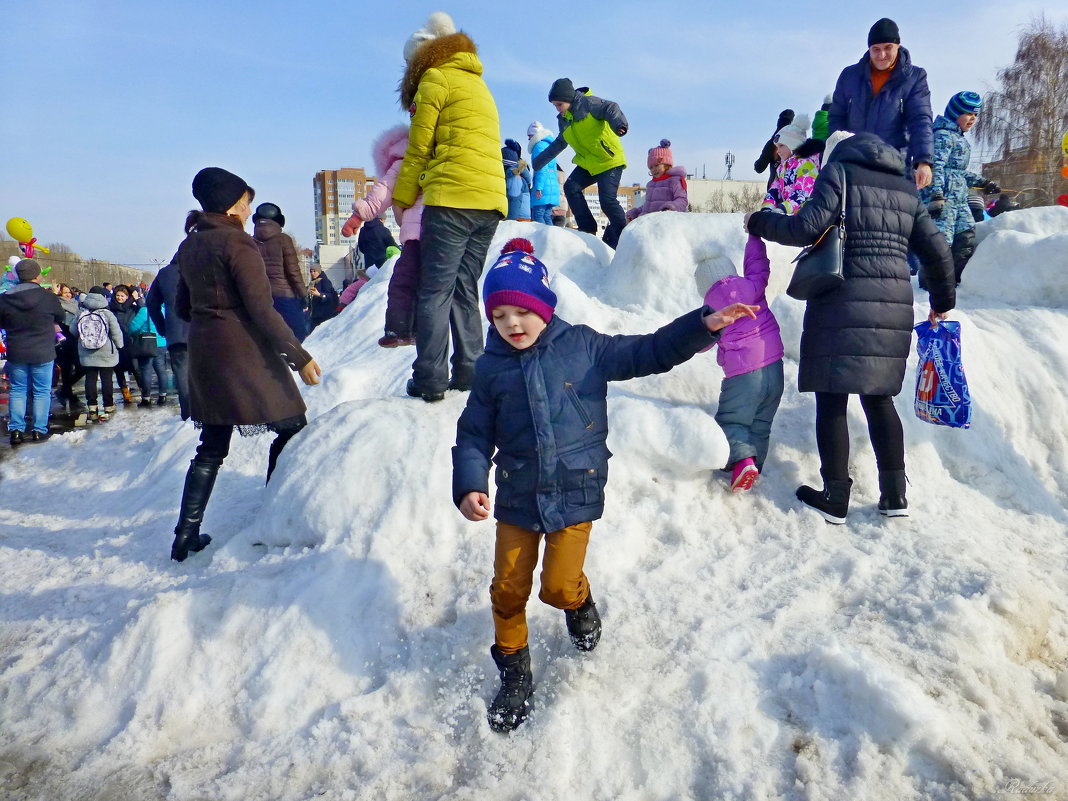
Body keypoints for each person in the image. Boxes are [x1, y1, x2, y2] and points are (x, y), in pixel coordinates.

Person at [452, 238, 758, 732]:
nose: (512, 323)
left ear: (544, 307)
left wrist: (702, 325)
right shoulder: (490, 369)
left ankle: (579, 601)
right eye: (501, 313)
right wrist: (469, 484)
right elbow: (472, 434)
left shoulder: (584, 348)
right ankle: (514, 673)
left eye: (522, 310)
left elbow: (647, 350)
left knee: (556, 587)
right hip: (517, 495)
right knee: (507, 590)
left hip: (575, 490)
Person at [744, 131, 956, 523]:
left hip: (841, 299)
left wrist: (758, 220)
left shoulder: (839, 173)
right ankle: (895, 497)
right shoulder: (905, 187)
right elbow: (938, 250)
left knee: (832, 396)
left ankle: (835, 495)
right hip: (893, 305)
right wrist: (942, 303)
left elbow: (804, 228)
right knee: (879, 399)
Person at [171, 167, 322, 563]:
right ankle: (273, 512)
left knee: (211, 444)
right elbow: (261, 309)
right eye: (245, 200)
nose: (249, 207)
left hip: (205, 351)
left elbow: (182, 307)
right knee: (291, 425)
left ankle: (185, 534)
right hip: (243, 352)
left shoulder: (190, 245)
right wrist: (300, 356)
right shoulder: (238, 244)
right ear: (230, 205)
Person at [393, 11, 507, 402]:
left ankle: (429, 378)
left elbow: (419, 148)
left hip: (452, 199)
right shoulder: (479, 84)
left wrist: (402, 197)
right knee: (464, 288)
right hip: (490, 201)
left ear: (422, 57)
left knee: (435, 290)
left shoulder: (435, 78)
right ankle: (471, 370)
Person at [698, 236, 785, 492]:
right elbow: (758, 264)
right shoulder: (752, 285)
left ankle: (743, 461)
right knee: (761, 422)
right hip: (775, 367)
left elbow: (702, 341)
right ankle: (755, 464)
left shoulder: (712, 308)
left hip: (743, 374)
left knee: (731, 421)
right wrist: (754, 235)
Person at [341, 124, 425, 348]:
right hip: (438, 229)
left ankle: (401, 328)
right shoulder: (426, 156)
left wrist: (359, 216)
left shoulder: (405, 160)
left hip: (419, 233)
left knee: (404, 282)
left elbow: (383, 191)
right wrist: (358, 216)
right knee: (416, 282)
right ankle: (407, 328)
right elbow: (384, 191)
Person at [828, 18, 934, 191]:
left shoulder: (914, 77)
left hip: (894, 166)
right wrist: (839, 151)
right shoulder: (850, 76)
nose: (882, 55)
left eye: (887, 48)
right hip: (853, 165)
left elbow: (920, 120)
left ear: (897, 46)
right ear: (869, 49)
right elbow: (836, 118)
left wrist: (923, 161)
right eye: (876, 49)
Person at [532, 78, 629, 248]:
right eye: (555, 105)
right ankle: (587, 229)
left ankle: (625, 238)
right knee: (571, 187)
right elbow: (560, 143)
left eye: (559, 104)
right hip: (588, 163)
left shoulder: (589, 103)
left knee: (607, 200)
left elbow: (610, 107)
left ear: (569, 99)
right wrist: (539, 161)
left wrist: (619, 124)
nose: (557, 109)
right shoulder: (564, 120)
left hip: (609, 160)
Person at [920, 91, 1000, 285]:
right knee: (941, 242)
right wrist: (936, 194)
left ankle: (955, 280)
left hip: (959, 200)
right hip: (943, 200)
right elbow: (935, 166)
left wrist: (983, 182)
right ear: (955, 113)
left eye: (975, 115)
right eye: (968, 114)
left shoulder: (960, 139)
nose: (972, 119)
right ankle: (931, 282)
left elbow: (957, 172)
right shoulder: (943, 136)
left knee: (966, 236)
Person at [0, 259, 65, 445]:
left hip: (17, 351)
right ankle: (39, 429)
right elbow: (60, 317)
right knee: (42, 391)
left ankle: (16, 431)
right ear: (37, 275)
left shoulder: (5, 298)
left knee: (18, 390)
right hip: (43, 351)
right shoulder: (48, 297)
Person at [253, 202, 308, 341]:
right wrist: (303, 294)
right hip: (285, 296)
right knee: (297, 336)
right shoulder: (283, 240)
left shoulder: (250, 242)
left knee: (267, 338)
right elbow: (293, 271)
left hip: (261, 296)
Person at [147, 257, 192, 419]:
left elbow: (151, 304)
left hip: (176, 334)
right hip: (206, 331)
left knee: (182, 375)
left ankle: (188, 416)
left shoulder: (165, 273)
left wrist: (163, 327)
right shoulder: (204, 266)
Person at [75, 286, 125, 423]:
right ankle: (108, 406)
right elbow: (116, 332)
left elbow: (74, 331)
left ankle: (92, 407)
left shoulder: (81, 313)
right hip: (106, 352)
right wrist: (120, 346)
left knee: (90, 380)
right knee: (106, 379)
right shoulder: (107, 314)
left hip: (86, 353)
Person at [759, 114, 825, 215]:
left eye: (781, 146)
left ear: (792, 145)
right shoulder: (782, 167)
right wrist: (768, 206)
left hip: (805, 216)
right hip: (789, 214)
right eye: (777, 147)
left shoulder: (806, 165)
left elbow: (803, 193)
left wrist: (783, 209)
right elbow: (775, 189)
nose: (778, 151)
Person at [626, 139, 688, 221]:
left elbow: (682, 200)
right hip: (647, 223)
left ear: (666, 164)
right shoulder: (651, 184)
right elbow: (647, 206)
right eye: (651, 167)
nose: (654, 169)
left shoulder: (675, 180)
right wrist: (635, 213)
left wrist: (670, 208)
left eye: (656, 165)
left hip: (665, 222)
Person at [53, 283, 86, 415]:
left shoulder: (76, 305)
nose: (67, 295)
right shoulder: (57, 305)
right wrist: (54, 295)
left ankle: (64, 391)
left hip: (75, 341)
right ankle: (68, 394)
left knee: (81, 367)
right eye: (64, 292)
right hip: (62, 342)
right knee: (66, 370)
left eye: (69, 292)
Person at [128, 301, 168, 406]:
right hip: (162, 343)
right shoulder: (165, 310)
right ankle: (163, 396)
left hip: (147, 344)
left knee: (146, 370)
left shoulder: (145, 310)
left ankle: (146, 398)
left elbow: (133, 327)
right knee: (161, 370)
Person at [107, 284, 138, 405]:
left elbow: (143, 308)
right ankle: (126, 394)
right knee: (119, 370)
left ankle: (144, 391)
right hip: (116, 343)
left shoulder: (132, 308)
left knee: (136, 369)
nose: (120, 298)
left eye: (123, 296)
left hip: (131, 342)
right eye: (118, 295)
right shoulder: (110, 308)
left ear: (127, 296)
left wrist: (136, 298)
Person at [526, 122, 560, 225]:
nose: (528, 139)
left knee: (538, 215)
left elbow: (541, 167)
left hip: (543, 187)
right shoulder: (549, 145)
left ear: (535, 135)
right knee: (546, 216)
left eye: (530, 136)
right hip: (552, 187)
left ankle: (541, 239)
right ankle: (551, 238)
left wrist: (539, 187)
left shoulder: (538, 146)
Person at [754, 109, 795, 190]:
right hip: (794, 189)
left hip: (776, 191)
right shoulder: (798, 143)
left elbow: (759, 168)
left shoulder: (772, 144)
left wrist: (756, 164)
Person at [502, 140, 532, 222]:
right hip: (520, 217)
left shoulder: (514, 178)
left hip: (518, 219)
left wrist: (510, 221)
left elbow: (514, 200)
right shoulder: (513, 175)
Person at [306, 265, 338, 331]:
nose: (312, 273)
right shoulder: (312, 283)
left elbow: (330, 296)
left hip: (324, 315)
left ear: (319, 272)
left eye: (314, 271)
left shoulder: (325, 281)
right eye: (311, 272)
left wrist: (319, 294)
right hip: (314, 314)